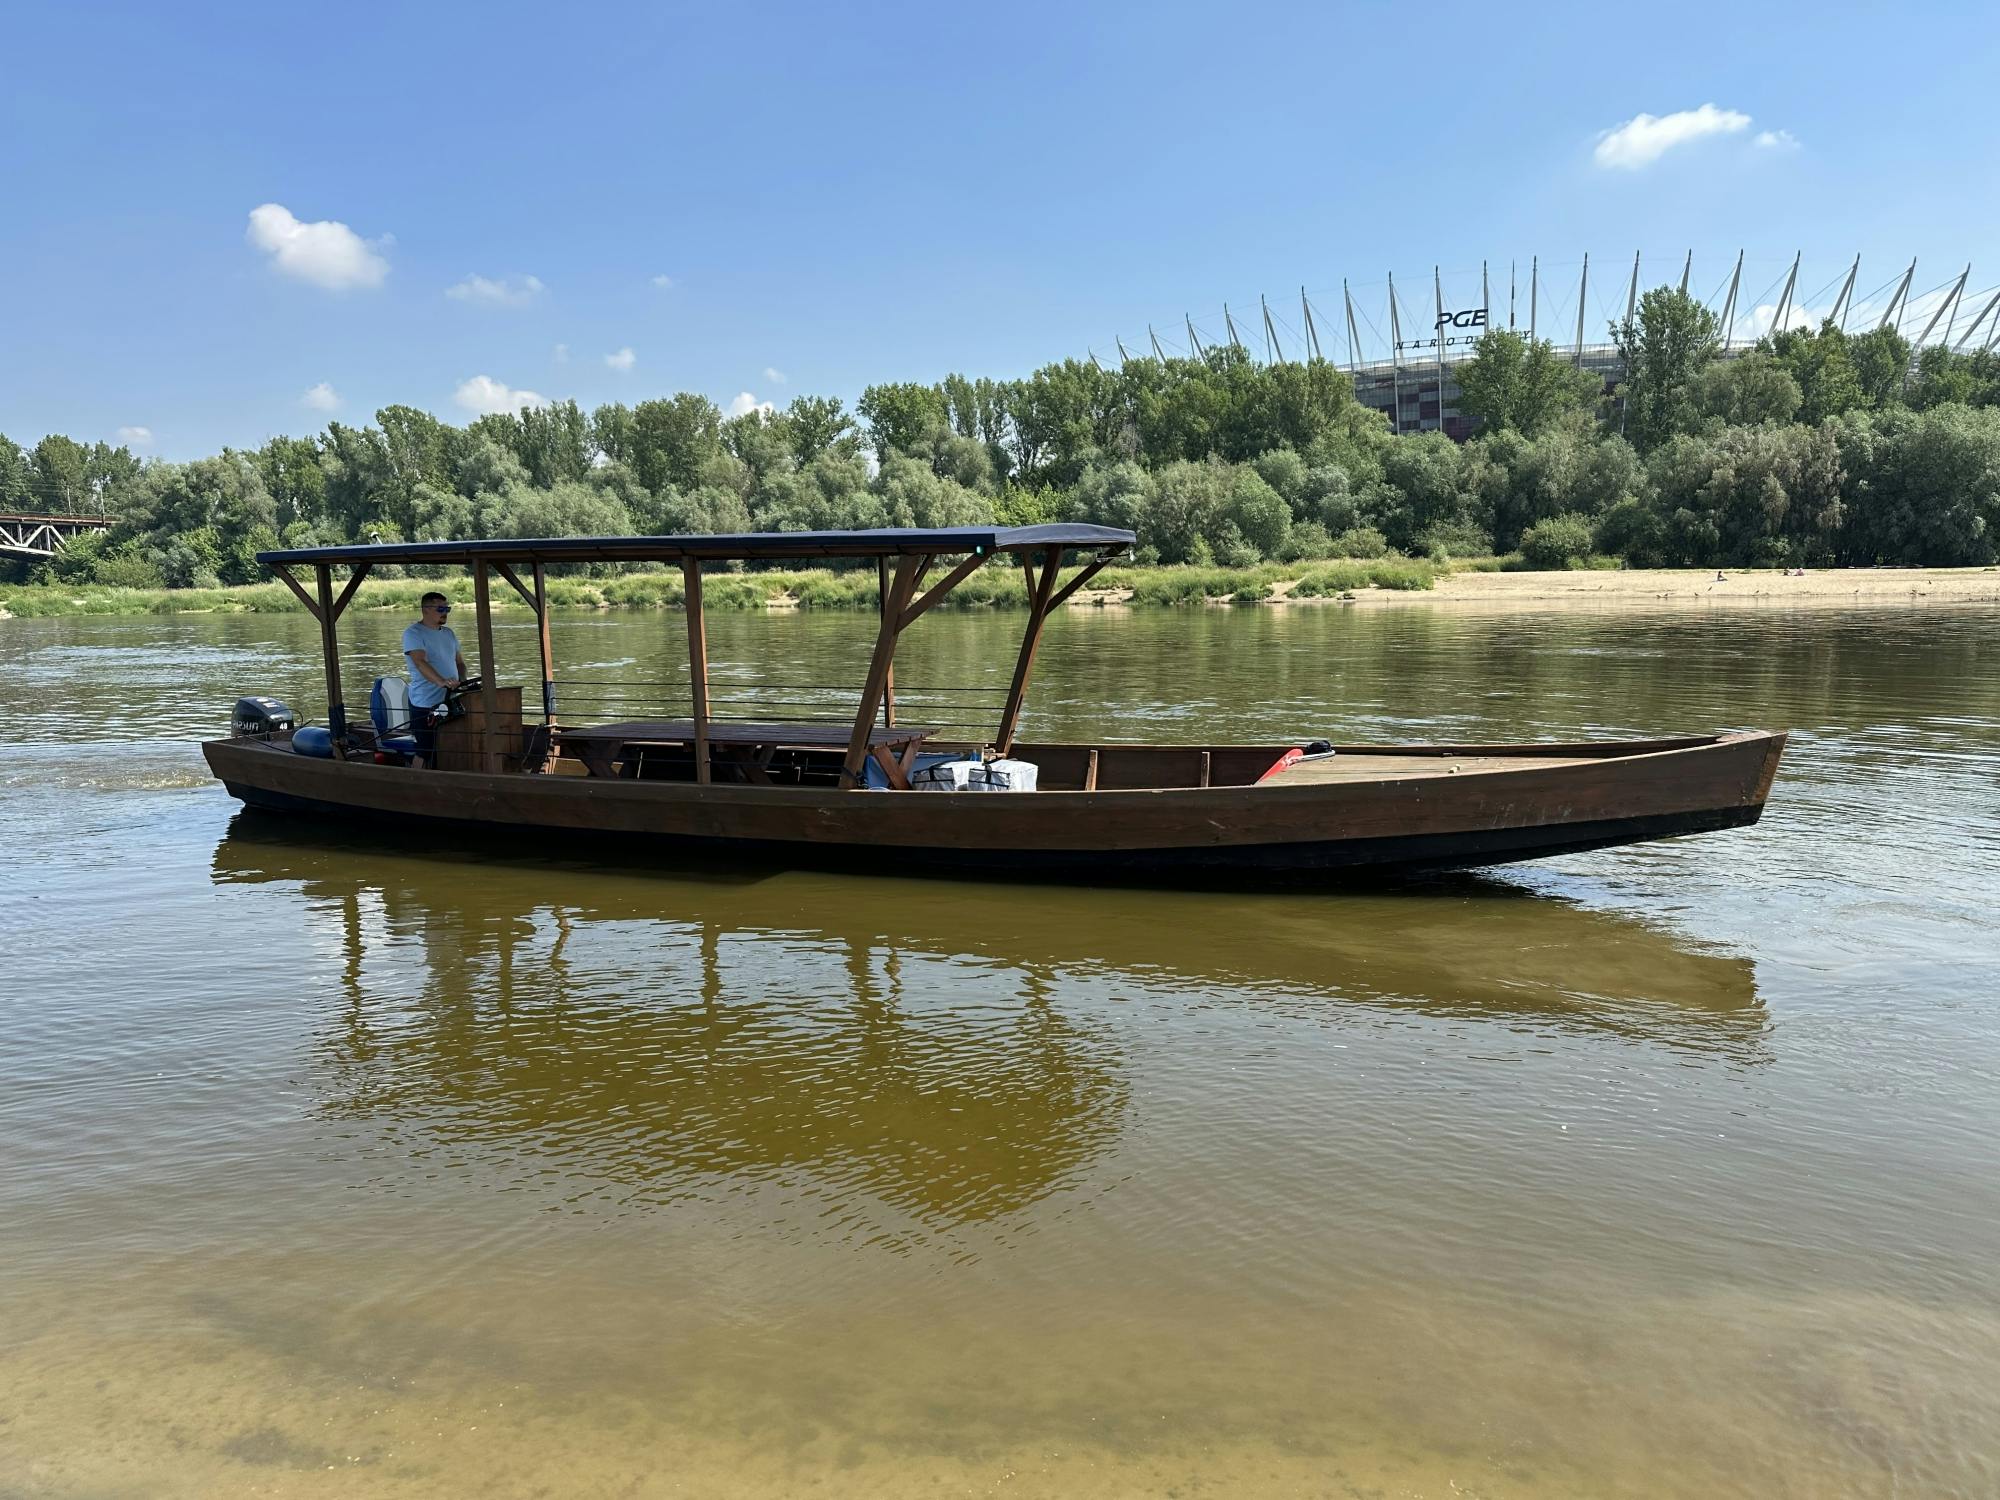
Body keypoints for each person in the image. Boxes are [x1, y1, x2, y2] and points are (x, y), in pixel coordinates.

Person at [402, 592, 468, 768]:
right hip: (425, 702)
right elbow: (419, 661)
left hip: (450, 699)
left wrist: (463, 681)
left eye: (447, 608)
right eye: (441, 609)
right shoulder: (413, 633)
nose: (445, 612)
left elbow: (460, 663)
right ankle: (416, 782)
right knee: (424, 749)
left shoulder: (449, 633)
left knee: (451, 744)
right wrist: (441, 682)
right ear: (426, 610)